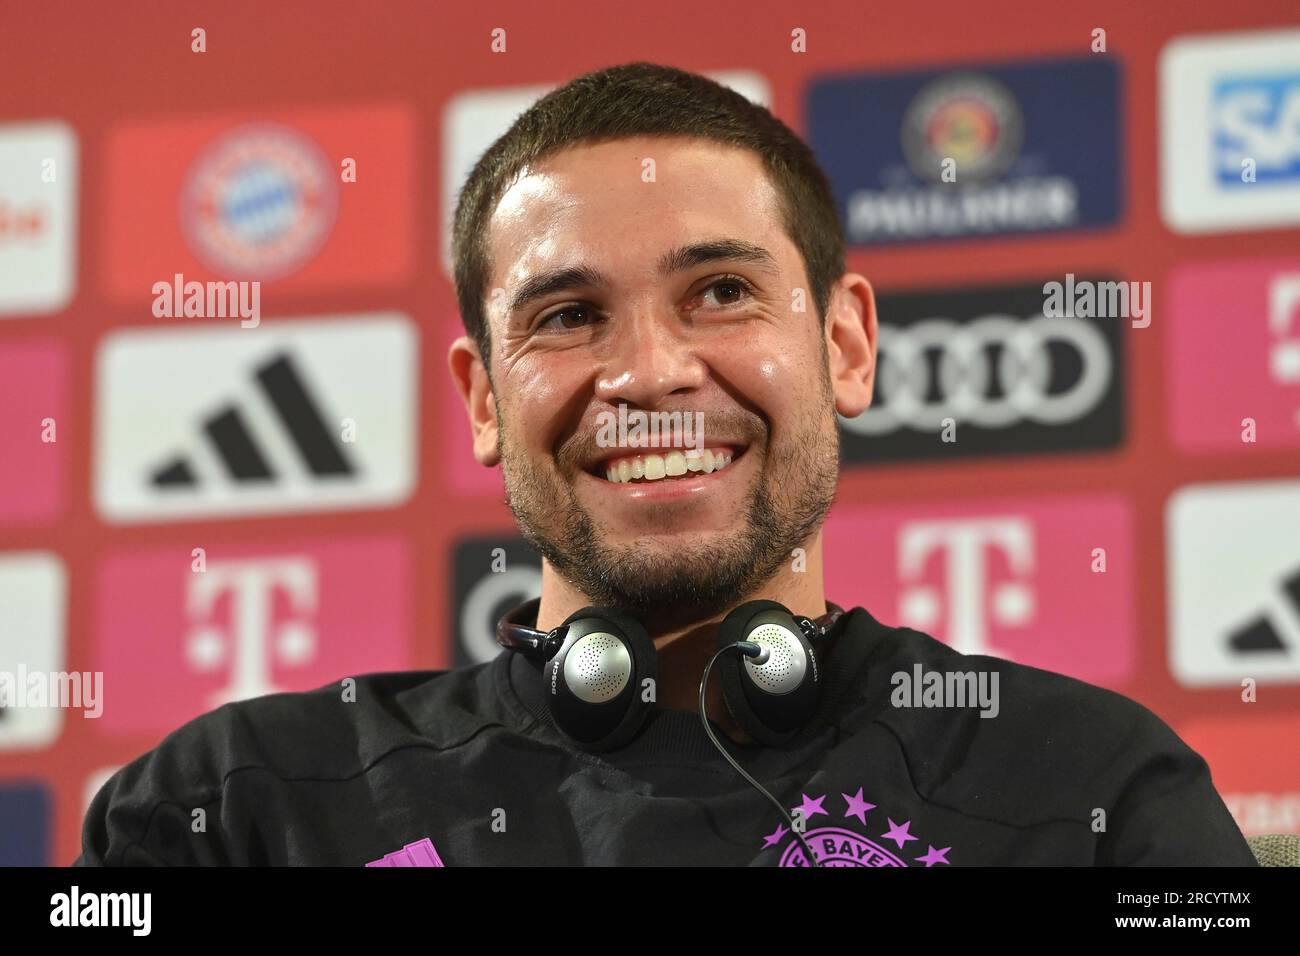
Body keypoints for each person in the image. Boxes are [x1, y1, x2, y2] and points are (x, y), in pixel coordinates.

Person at [76, 62, 1256, 867]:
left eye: (723, 293)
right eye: (567, 314)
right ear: (483, 399)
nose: (648, 372)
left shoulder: (1093, 789)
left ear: (844, 344)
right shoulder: (234, 807)